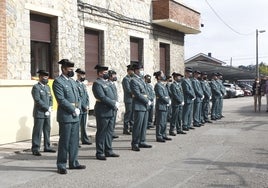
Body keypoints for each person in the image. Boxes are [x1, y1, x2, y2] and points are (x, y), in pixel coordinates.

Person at [53, 59, 86, 175]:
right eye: (69, 69)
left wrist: (79, 107)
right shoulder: (58, 82)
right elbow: (61, 100)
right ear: (63, 69)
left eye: (72, 69)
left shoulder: (72, 82)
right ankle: (61, 165)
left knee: (74, 141)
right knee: (64, 141)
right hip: (66, 116)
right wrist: (73, 109)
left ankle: (74, 162)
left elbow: (79, 97)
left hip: (75, 116)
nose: (72, 71)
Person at [92, 65, 120, 160]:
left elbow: (114, 95)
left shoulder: (108, 83)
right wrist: (113, 103)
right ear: (100, 73)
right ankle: (100, 152)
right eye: (104, 73)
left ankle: (108, 150)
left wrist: (116, 103)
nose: (107, 74)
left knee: (109, 131)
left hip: (111, 110)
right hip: (103, 110)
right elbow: (101, 97)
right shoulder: (97, 83)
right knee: (102, 131)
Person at [31, 70, 55, 156]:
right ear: (40, 77)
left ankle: (47, 146)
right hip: (40, 113)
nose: (46, 78)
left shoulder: (47, 87)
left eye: (47, 77)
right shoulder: (36, 87)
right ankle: (35, 148)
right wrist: (46, 108)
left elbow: (51, 98)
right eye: (44, 77)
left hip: (47, 113)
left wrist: (51, 106)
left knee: (47, 130)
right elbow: (37, 100)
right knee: (38, 131)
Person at [130, 62, 152, 151]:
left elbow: (146, 92)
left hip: (144, 106)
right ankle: (135, 143)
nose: (142, 71)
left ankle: (142, 141)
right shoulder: (133, 80)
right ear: (136, 71)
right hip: (139, 106)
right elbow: (137, 94)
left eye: (142, 70)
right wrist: (147, 100)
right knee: (137, 126)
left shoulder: (141, 80)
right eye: (140, 70)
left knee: (144, 125)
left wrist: (149, 99)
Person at [75, 68, 92, 145]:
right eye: (82, 75)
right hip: (80, 108)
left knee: (83, 125)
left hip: (85, 109)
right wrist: (83, 106)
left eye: (84, 75)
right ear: (78, 75)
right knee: (77, 127)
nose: (83, 76)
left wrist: (88, 105)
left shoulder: (83, 85)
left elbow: (86, 96)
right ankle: (76, 141)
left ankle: (84, 139)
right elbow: (78, 97)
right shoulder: (76, 85)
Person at [154, 71, 172, 142]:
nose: (164, 76)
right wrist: (167, 101)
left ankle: (164, 134)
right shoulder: (158, 85)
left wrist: (168, 100)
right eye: (162, 75)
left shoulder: (162, 85)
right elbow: (161, 96)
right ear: (159, 77)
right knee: (160, 122)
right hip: (161, 105)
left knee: (164, 122)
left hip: (165, 105)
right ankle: (159, 136)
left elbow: (166, 95)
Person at [122, 65, 134, 135]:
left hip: (133, 99)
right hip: (128, 99)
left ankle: (132, 127)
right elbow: (127, 89)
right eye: (131, 70)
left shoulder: (132, 78)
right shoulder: (126, 79)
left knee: (132, 114)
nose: (132, 72)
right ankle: (125, 128)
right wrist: (135, 92)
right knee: (128, 114)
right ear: (128, 71)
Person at [108, 70, 119, 139]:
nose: (115, 76)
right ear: (110, 76)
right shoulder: (108, 84)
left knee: (114, 120)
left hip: (115, 104)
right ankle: (110, 133)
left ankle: (112, 132)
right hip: (111, 104)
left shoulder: (113, 84)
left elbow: (115, 95)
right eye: (113, 75)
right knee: (111, 121)